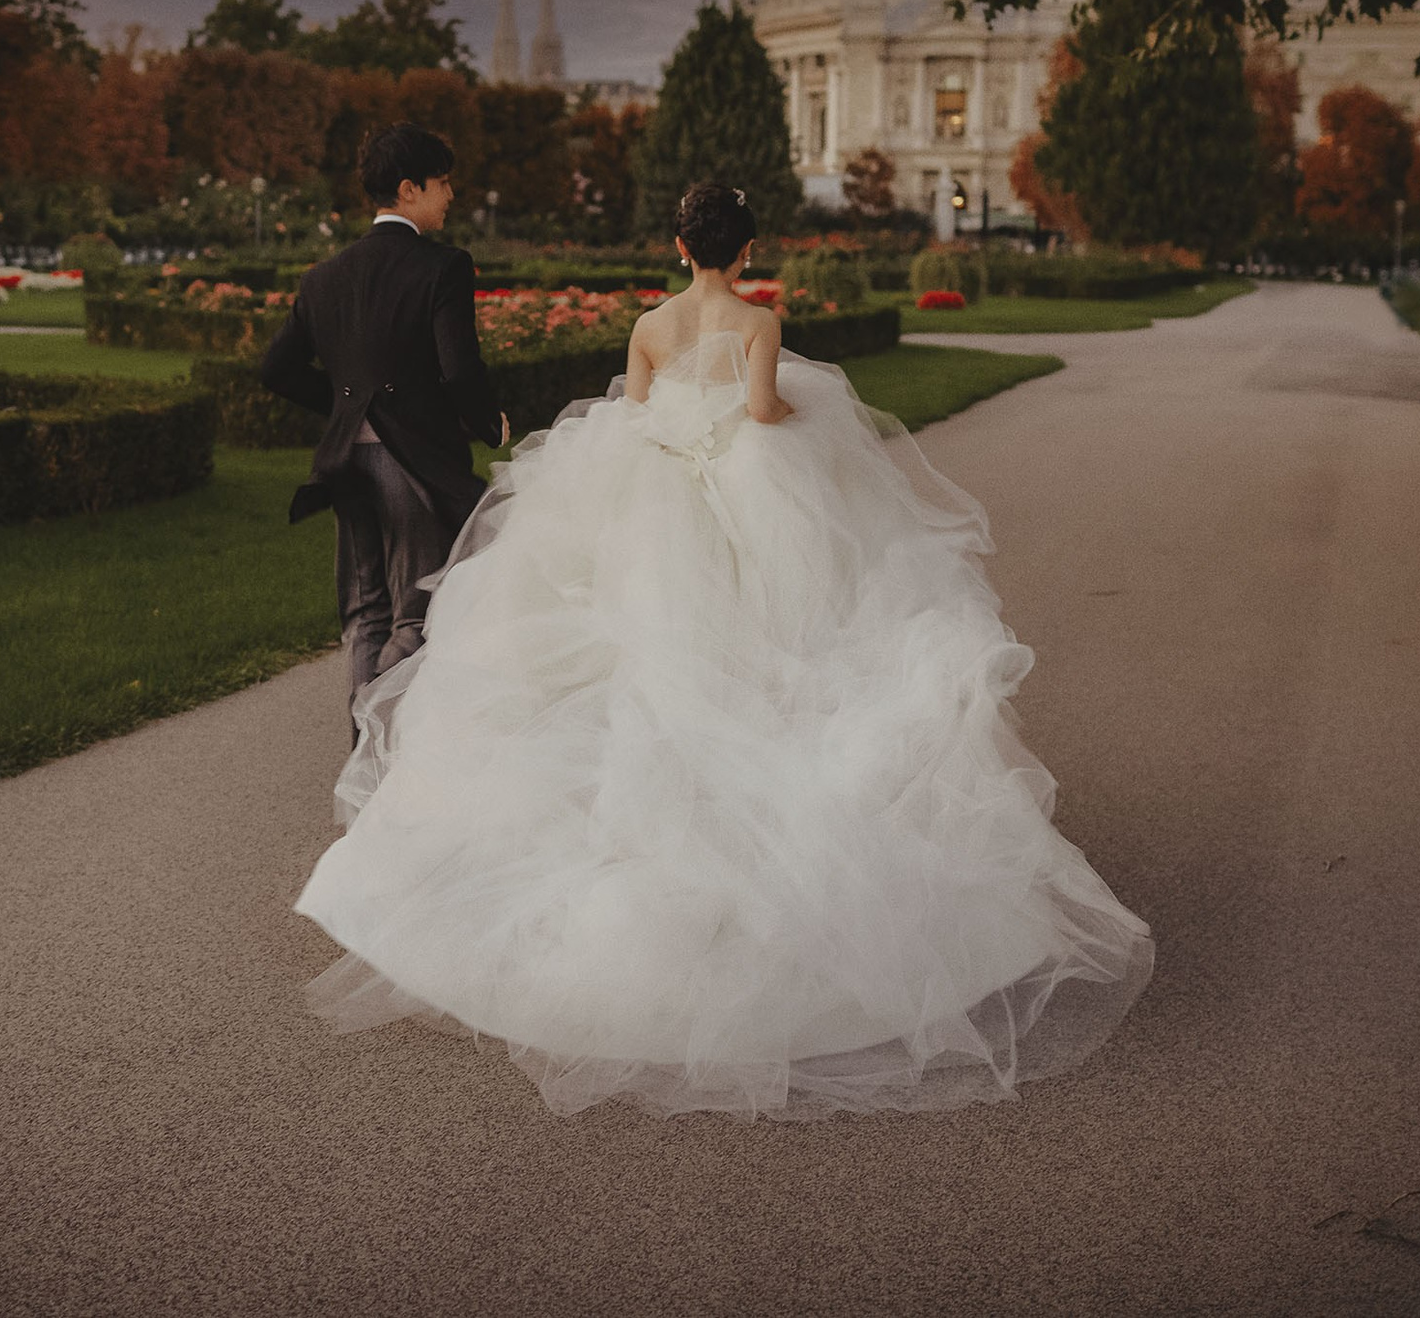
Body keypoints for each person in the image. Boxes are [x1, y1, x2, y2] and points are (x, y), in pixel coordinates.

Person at [294, 183, 1154, 1120]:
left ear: (678, 246)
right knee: (778, 653)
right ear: (745, 252)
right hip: (743, 494)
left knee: (624, 663)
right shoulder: (758, 319)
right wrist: (797, 419)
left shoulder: (651, 324)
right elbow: (761, 411)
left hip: (657, 498)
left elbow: (635, 412)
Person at [260, 123, 510, 710]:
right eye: (442, 183)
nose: (451, 196)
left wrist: (353, 406)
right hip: (412, 461)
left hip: (346, 461)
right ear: (408, 190)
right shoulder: (443, 266)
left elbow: (276, 369)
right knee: (416, 615)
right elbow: (459, 369)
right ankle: (379, 745)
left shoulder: (323, 276)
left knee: (369, 612)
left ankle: (363, 754)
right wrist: (486, 421)